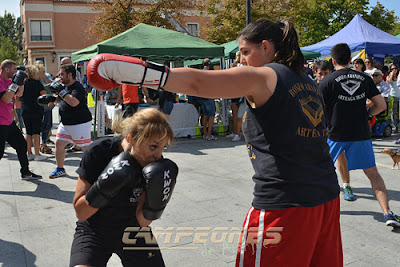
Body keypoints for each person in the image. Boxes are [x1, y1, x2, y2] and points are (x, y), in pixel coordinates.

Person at [87, 19, 343, 266]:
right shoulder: (306, 80)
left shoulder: (265, 75)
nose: (241, 60)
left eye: (245, 51)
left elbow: (198, 82)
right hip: (326, 197)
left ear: (265, 47)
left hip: (286, 202)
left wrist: (135, 72)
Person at [70, 108, 176, 267]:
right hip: (94, 230)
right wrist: (105, 187)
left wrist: (157, 202)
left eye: (163, 147)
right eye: (153, 147)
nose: (158, 155)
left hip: (133, 231)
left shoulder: (154, 168)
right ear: (131, 139)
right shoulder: (99, 152)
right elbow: (81, 212)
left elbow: (143, 222)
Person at [319, 43, 400, 227]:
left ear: (333, 61)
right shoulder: (365, 78)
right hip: (361, 133)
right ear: (350, 60)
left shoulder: (326, 82)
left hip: (335, 134)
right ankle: (387, 213)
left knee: (320, 172)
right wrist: (367, 115)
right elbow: (381, 105)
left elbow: (317, 113)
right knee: (373, 174)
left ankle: (315, 214)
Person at [48, 64, 92, 178]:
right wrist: (52, 98)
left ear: (70, 75)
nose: (60, 76)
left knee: (86, 147)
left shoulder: (78, 87)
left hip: (79, 123)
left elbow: (73, 102)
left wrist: (61, 91)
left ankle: (100, 165)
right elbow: (60, 99)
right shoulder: (65, 86)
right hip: (66, 123)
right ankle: (60, 168)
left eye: (62, 74)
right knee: (59, 143)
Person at [0, 59, 42, 179]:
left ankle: (25, 172)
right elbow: (6, 99)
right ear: (6, 69)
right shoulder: (0, 82)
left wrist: (21, 82)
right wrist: (15, 83)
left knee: (22, 145)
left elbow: (19, 94)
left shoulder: (9, 81)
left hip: (8, 122)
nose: (16, 72)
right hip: (0, 123)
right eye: (14, 69)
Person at [20, 65, 47, 161]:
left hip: (25, 109)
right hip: (36, 109)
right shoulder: (37, 83)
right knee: (36, 131)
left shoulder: (22, 83)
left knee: (28, 132)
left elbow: (18, 97)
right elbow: (44, 94)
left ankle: (29, 153)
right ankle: (37, 154)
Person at [197, 58, 217, 141]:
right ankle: (209, 134)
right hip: (208, 96)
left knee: (204, 115)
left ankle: (205, 133)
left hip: (201, 97)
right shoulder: (209, 73)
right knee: (211, 116)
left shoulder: (200, 73)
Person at [387, 63, 400, 134]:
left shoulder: (399, 76)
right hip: (393, 96)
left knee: (399, 112)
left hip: (399, 96)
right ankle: (395, 127)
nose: (394, 70)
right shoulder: (389, 76)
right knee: (394, 113)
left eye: (395, 68)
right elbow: (388, 82)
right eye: (392, 69)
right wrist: (392, 75)